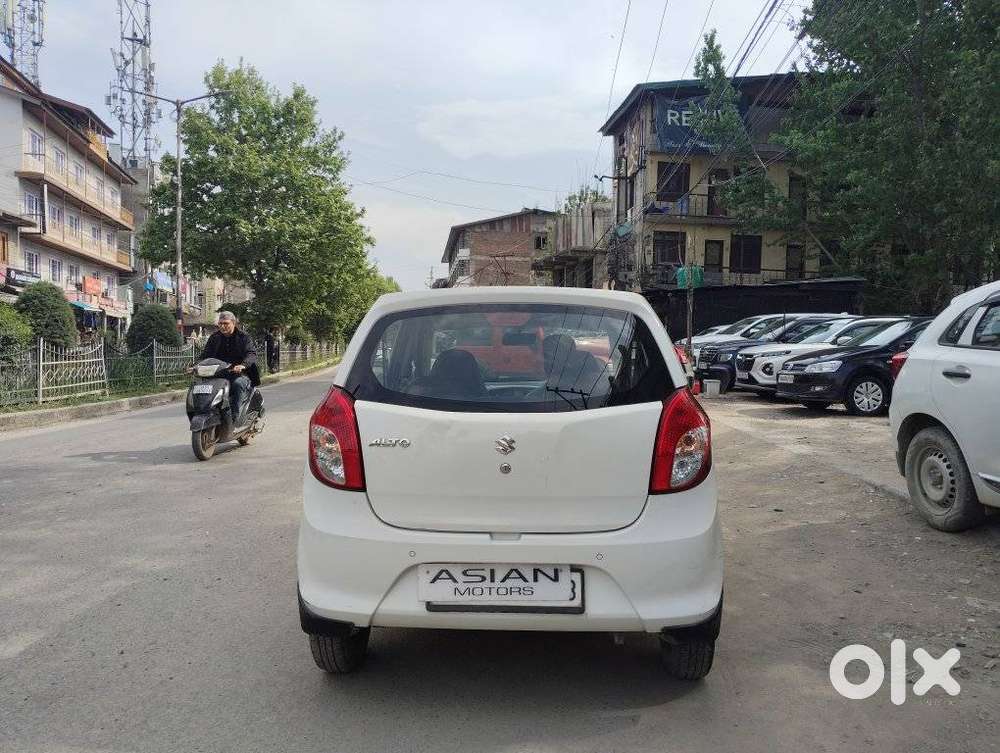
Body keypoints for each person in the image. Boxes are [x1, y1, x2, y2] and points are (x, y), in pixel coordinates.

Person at [196, 312, 260, 425]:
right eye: (220, 324)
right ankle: (208, 412)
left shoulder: (244, 337)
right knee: (204, 386)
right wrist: (195, 366)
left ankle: (235, 417)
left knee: (238, 384)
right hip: (219, 374)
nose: (222, 326)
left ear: (233, 323)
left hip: (240, 373)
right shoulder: (214, 337)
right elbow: (205, 355)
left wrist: (243, 365)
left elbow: (251, 354)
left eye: (226, 323)